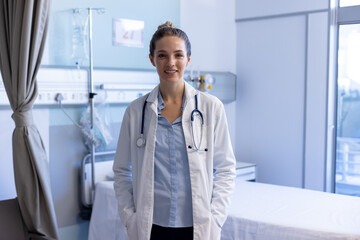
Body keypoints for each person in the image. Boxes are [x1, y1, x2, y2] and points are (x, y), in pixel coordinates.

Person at [113, 21, 236, 240]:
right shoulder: (135, 112)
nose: (171, 62)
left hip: (197, 226)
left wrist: (215, 218)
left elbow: (226, 169)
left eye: (178, 55)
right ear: (152, 59)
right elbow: (122, 170)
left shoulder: (211, 107)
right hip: (151, 226)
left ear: (188, 59)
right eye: (162, 55)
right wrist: (129, 218)